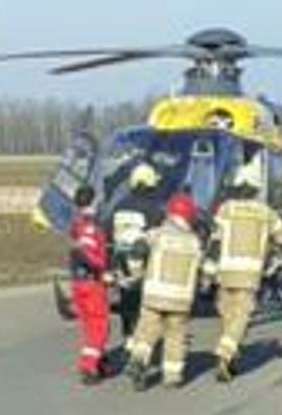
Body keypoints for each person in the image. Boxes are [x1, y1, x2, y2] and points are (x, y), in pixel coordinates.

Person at [207, 166, 282, 381]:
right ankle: (225, 354)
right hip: (249, 274)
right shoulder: (266, 213)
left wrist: (208, 269)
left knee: (228, 315)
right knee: (241, 316)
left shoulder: (226, 209)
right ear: (256, 188)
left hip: (225, 272)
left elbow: (215, 242)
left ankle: (230, 357)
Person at [114, 192, 204, 390]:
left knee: (146, 330)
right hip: (181, 299)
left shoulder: (156, 234)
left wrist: (137, 274)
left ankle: (138, 360)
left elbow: (137, 250)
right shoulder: (194, 242)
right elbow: (202, 269)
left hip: (154, 294)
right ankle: (172, 376)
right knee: (175, 336)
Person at [106, 163, 163, 339]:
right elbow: (160, 236)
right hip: (143, 261)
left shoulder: (119, 206)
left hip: (119, 261)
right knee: (144, 301)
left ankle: (128, 332)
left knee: (126, 296)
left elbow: (107, 233)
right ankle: (141, 336)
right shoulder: (153, 208)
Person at [66, 185, 113, 385]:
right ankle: (89, 366)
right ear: (93, 201)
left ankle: (99, 360)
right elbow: (87, 251)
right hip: (91, 282)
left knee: (89, 325)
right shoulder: (91, 225)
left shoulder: (77, 223)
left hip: (78, 282)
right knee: (99, 325)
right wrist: (103, 269)